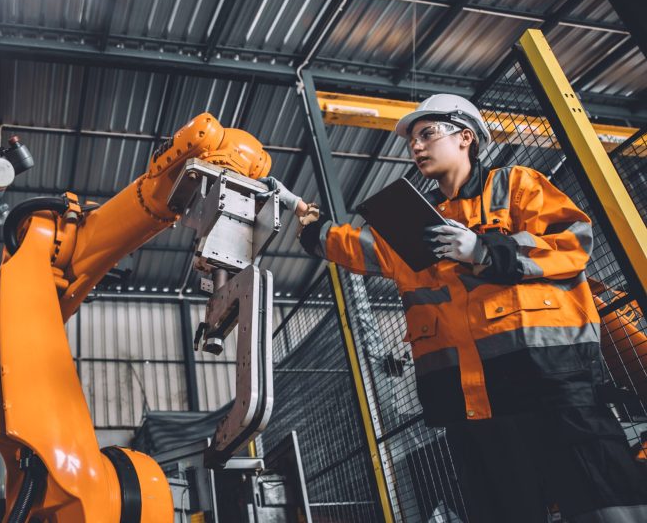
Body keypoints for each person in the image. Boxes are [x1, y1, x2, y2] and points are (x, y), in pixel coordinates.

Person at [267, 94, 647, 522]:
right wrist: (303, 216)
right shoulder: (412, 222)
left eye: (426, 134)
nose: (415, 146)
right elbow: (359, 248)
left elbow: (572, 243)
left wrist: (486, 249)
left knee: (607, 508)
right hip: (475, 410)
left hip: (554, 390)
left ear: (466, 136)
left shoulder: (516, 185)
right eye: (411, 140)